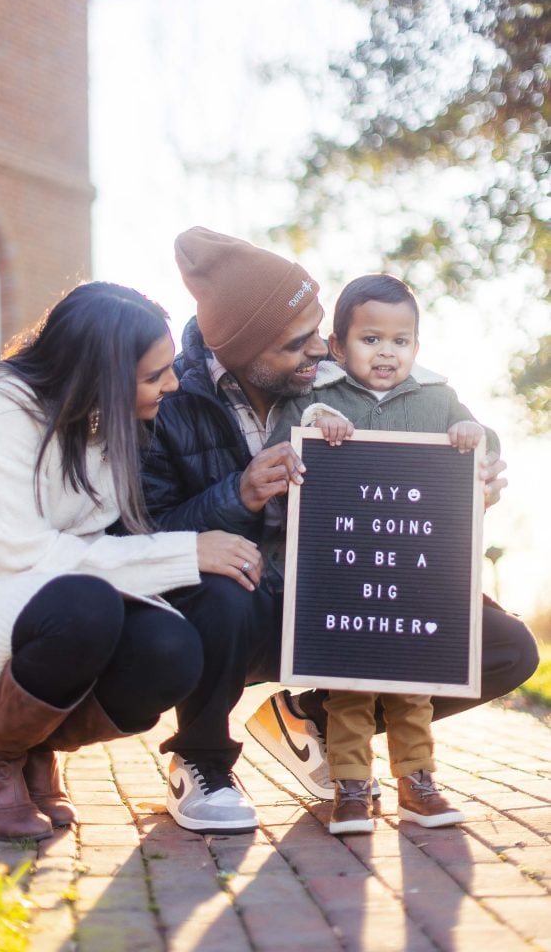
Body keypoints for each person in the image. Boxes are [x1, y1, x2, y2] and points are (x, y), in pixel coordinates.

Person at [141, 226, 539, 817]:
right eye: (300, 342)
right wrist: (238, 494)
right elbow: (147, 534)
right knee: (225, 590)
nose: (322, 350)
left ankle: (311, 721)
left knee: (506, 647)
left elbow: (432, 453)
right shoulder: (169, 402)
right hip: (244, 602)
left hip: (351, 584)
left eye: (321, 332)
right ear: (247, 352)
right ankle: (202, 759)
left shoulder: (349, 386)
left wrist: (455, 495)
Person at [0, 281, 265, 843]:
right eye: (153, 375)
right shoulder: (5, 409)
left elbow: (118, 536)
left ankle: (31, 742)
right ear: (100, 374)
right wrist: (186, 551)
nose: (171, 383)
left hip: (56, 614)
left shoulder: (108, 419)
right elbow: (23, 555)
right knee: (85, 601)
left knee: (171, 648)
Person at [267, 272, 498, 833]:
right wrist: (320, 424)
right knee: (348, 686)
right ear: (340, 345)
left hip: (415, 576)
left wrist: (472, 432)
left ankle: (417, 783)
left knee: (415, 686)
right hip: (345, 573)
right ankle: (351, 787)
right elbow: (285, 438)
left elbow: (485, 444)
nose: (387, 352)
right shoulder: (318, 398)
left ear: (416, 347)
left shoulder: (437, 397)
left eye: (401, 340)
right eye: (371, 339)